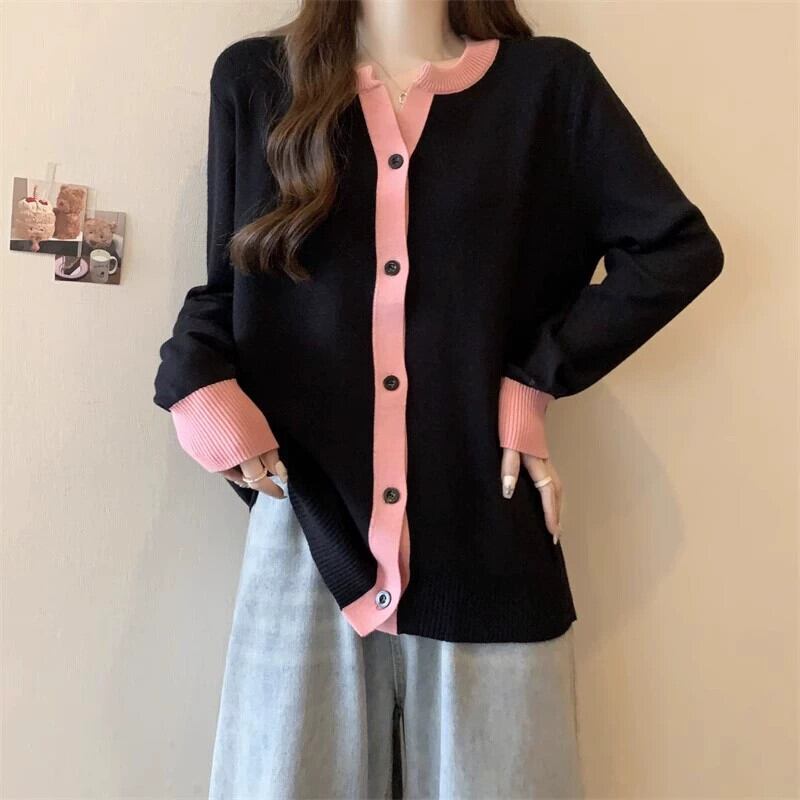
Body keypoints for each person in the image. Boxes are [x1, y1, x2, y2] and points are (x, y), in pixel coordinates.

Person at [152, 1, 724, 797]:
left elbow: (676, 249)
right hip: (308, 533)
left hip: (487, 532)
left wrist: (534, 378)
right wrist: (195, 386)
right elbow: (226, 289)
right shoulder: (257, 81)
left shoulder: (548, 87)